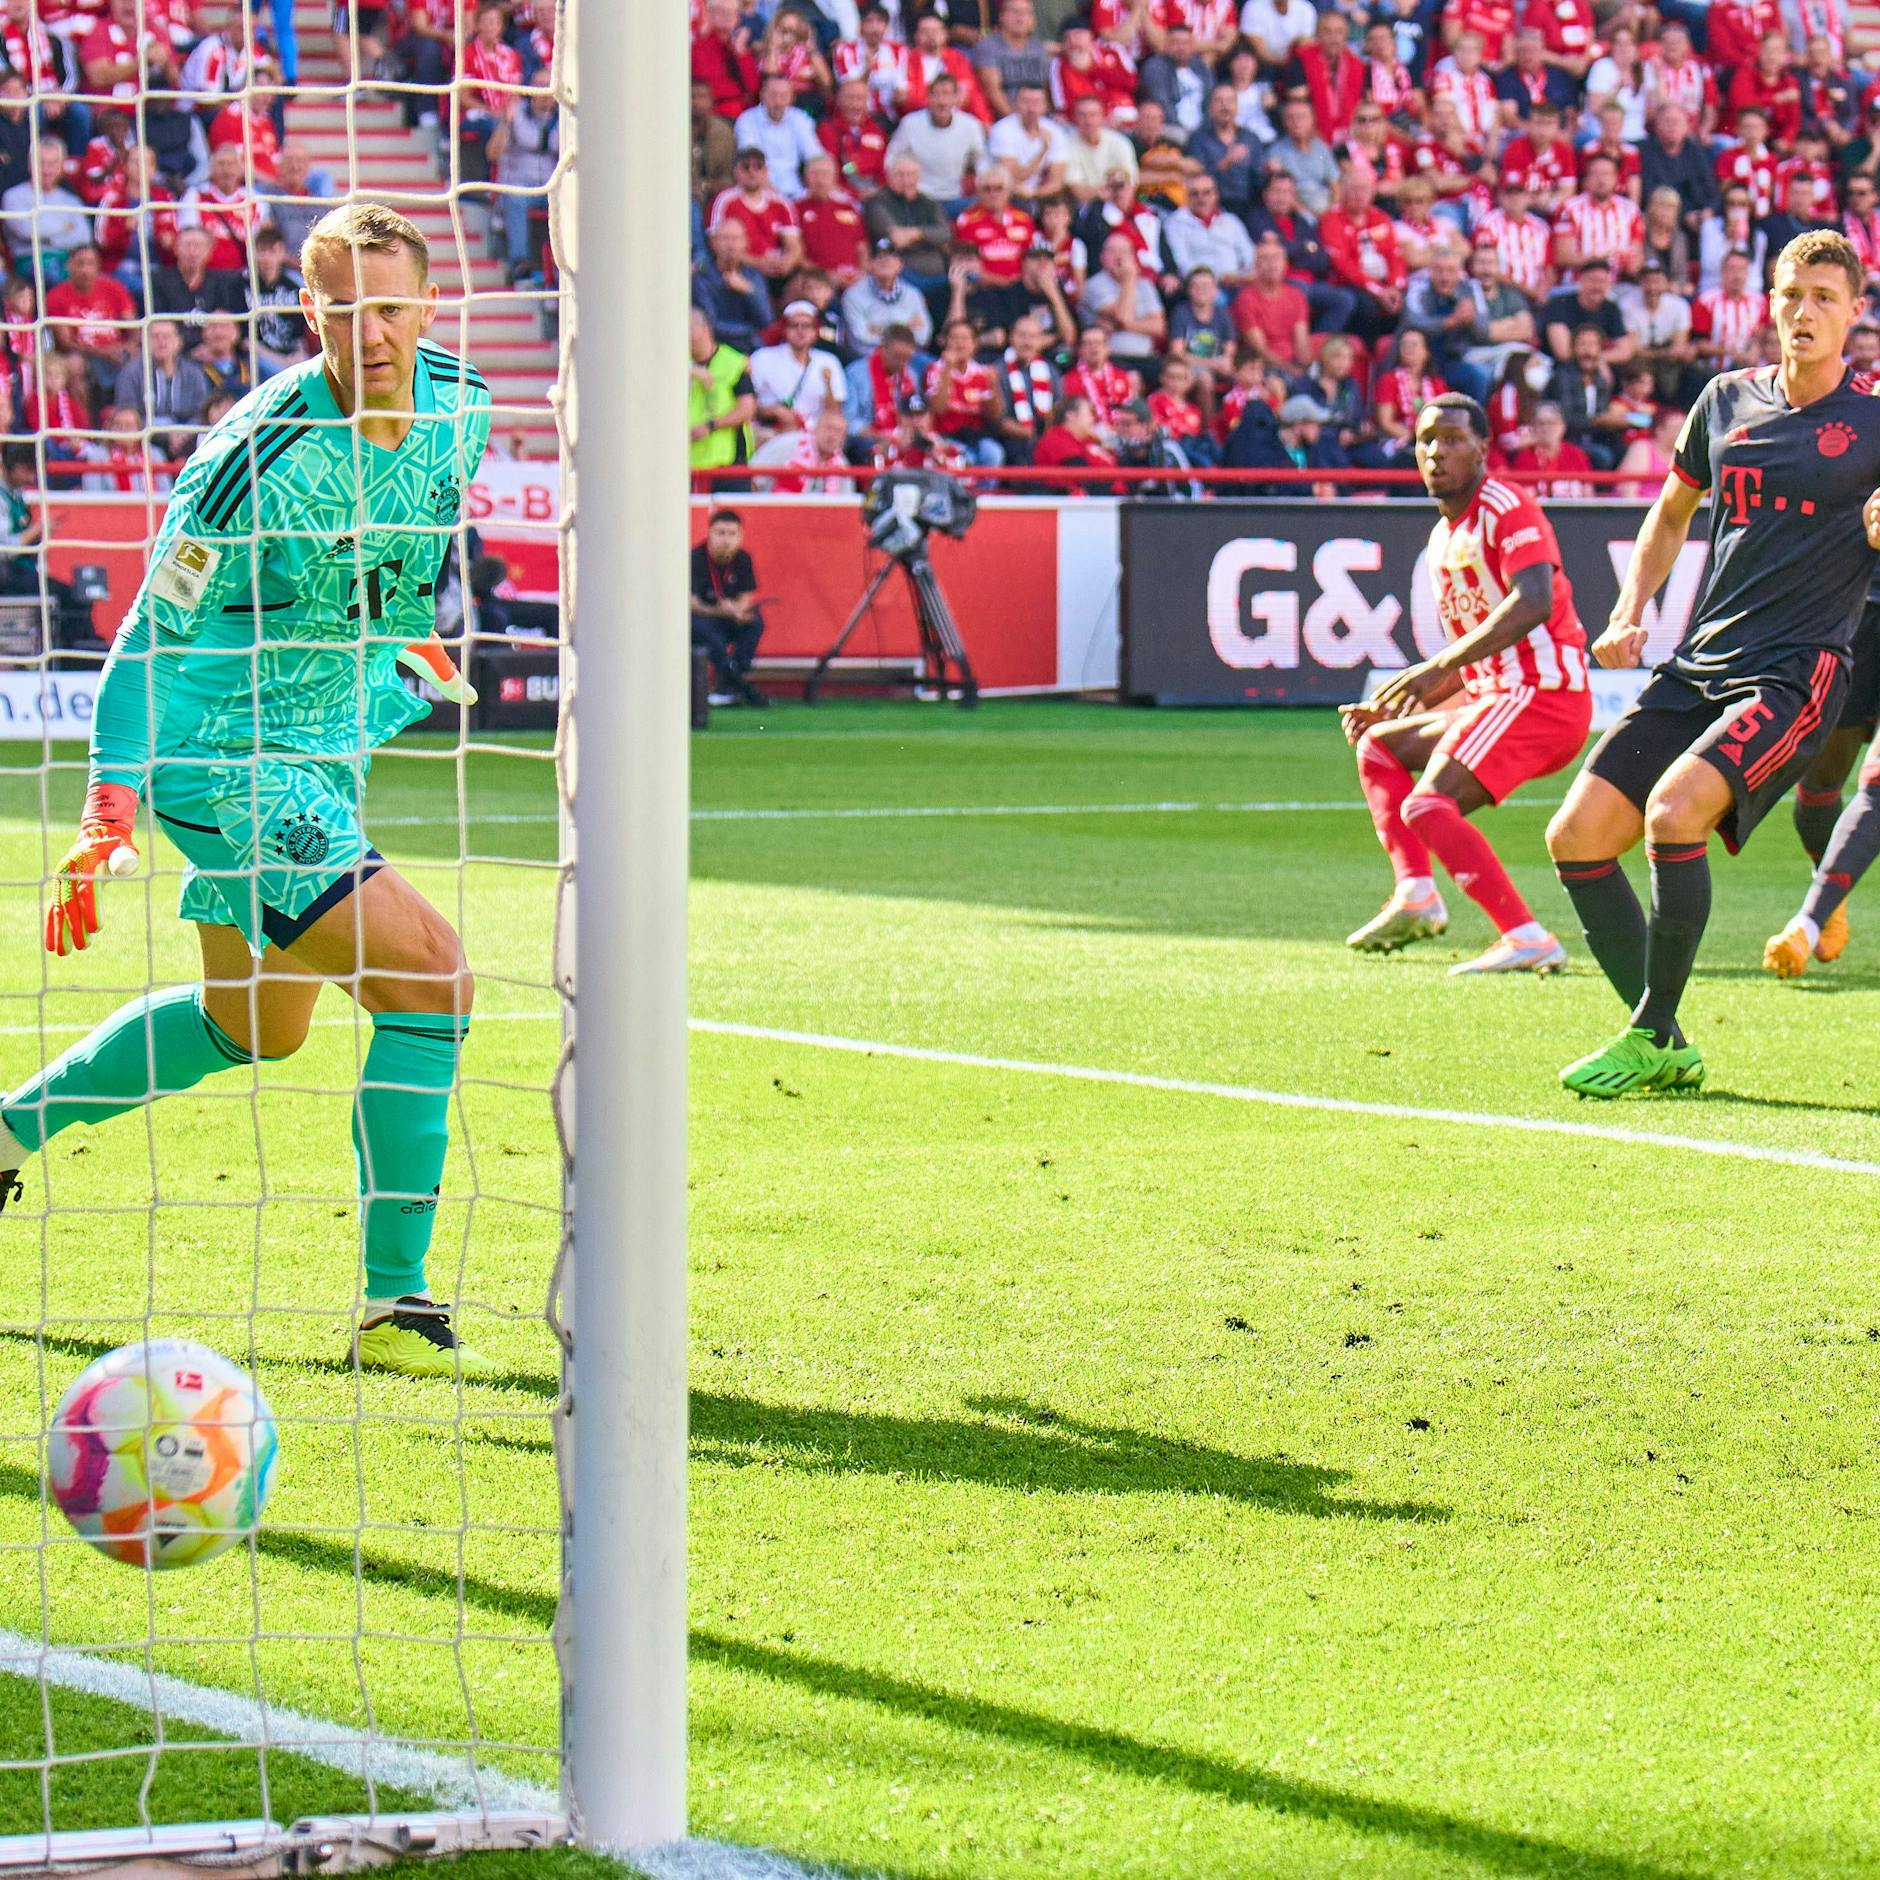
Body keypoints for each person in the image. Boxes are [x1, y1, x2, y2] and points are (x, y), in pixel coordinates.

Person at [5, 202, 495, 1378]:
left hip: (329, 748)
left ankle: (4, 1129)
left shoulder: (465, 409)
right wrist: (105, 810)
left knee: (252, 1027)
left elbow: (397, 557)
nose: (367, 330)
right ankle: (399, 1304)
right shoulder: (253, 453)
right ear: (307, 309)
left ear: (428, 305)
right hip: (227, 759)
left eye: (389, 304)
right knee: (434, 983)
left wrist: (406, 638)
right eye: (340, 307)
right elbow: (145, 638)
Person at [1546, 231, 1880, 1096]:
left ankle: (1651, 1034)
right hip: (1700, 662)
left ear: (1853, 315)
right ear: (1768, 303)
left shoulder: (1877, 421)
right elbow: (1668, 514)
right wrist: (1630, 609)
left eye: (1823, 298)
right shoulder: (1724, 399)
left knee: (1672, 812)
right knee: (1576, 834)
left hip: (1796, 673)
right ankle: (1666, 1038)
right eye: (1789, 294)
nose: (1803, 312)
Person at [1340, 393, 1588, 971]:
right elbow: (1473, 660)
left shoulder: (1507, 506)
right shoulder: (1441, 540)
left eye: (1452, 439)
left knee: (1428, 805)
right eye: (1426, 440)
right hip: (1498, 694)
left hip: (1542, 695)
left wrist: (1438, 669)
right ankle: (1415, 894)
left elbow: (1533, 602)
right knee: (1380, 747)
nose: (1436, 452)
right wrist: (1403, 703)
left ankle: (1526, 937)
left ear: (1482, 447)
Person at [690, 507, 769, 707]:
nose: (726, 540)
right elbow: (691, 603)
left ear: (740, 536)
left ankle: (731, 683)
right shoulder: (696, 558)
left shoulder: (743, 559)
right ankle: (735, 684)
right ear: (709, 534)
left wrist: (738, 611)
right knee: (703, 629)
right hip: (705, 617)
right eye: (721, 533)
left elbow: (746, 597)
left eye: (732, 534)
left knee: (755, 622)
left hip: (731, 618)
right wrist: (722, 610)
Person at [689, 306, 755, 473]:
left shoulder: (734, 362)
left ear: (706, 329)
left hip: (727, 461)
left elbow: (747, 408)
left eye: (689, 329)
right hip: (686, 463)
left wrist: (710, 426)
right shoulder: (675, 364)